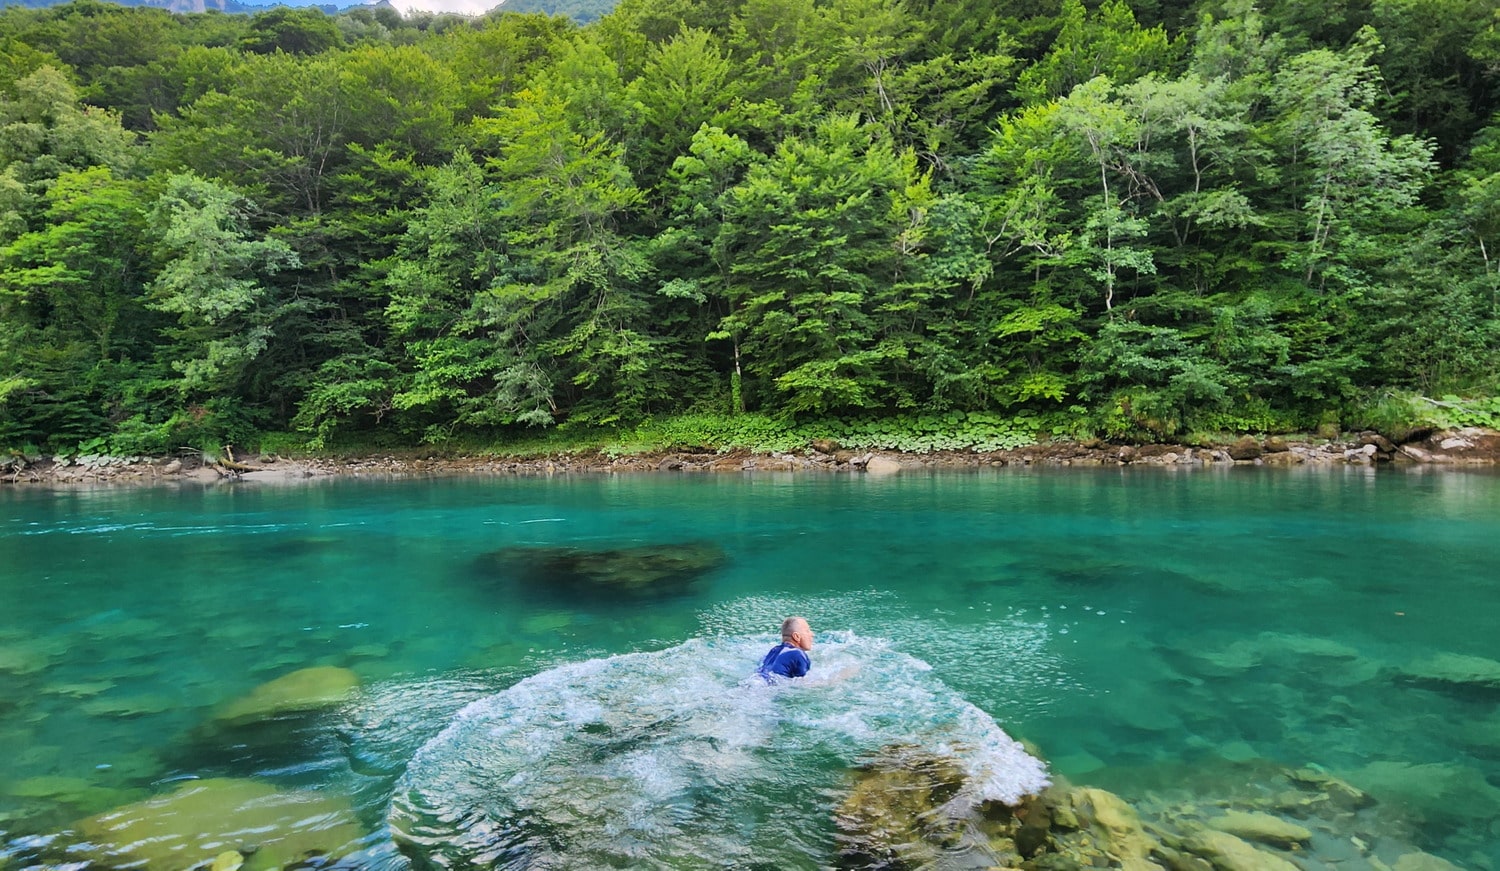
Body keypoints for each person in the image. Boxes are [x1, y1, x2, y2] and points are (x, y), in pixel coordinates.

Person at [757, 616, 813, 681]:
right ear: (796, 636)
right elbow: (804, 684)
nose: (812, 634)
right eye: (807, 631)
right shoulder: (797, 653)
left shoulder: (773, 651)